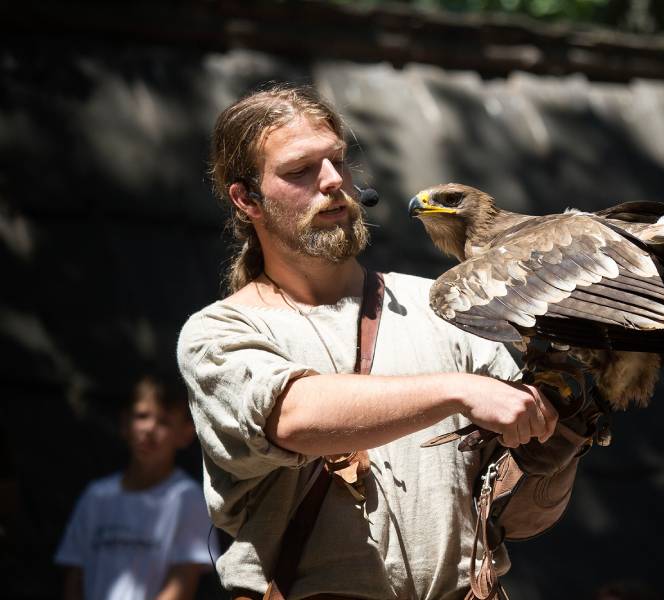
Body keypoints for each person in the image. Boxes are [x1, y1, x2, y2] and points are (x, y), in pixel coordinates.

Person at [176, 83, 596, 600]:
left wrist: (561, 438)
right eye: (299, 170)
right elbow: (292, 416)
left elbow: (523, 519)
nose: (333, 181)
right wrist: (458, 390)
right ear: (247, 199)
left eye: (337, 161)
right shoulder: (221, 333)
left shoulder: (446, 309)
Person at [55, 374, 219, 600]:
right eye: (142, 416)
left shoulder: (187, 498)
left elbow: (182, 582)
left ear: (185, 434)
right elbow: (74, 576)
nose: (150, 428)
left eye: (164, 421)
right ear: (125, 423)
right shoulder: (96, 496)